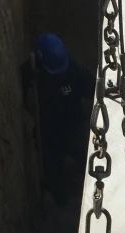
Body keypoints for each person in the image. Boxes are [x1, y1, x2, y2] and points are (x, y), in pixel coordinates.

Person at [22, 32, 92, 207]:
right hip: (49, 134)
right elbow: (26, 99)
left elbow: (93, 88)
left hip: (73, 125)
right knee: (54, 173)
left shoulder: (74, 70)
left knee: (85, 158)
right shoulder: (34, 75)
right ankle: (61, 201)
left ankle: (85, 188)